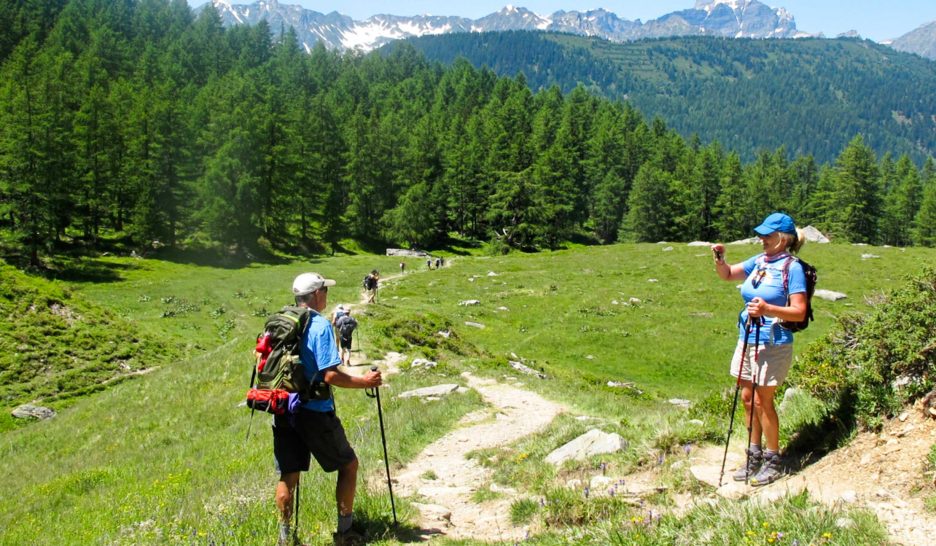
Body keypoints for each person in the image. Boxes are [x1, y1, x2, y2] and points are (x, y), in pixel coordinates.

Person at [274, 273, 382, 546]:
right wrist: (364, 382)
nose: (327, 294)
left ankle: (285, 539)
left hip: (284, 407)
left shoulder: (281, 321)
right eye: (325, 290)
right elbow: (330, 375)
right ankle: (345, 533)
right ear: (317, 294)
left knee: (289, 473)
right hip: (314, 411)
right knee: (348, 465)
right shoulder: (320, 325)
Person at [711, 212, 807, 487]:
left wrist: (767, 309)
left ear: (783, 238)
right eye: (761, 235)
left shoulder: (793, 268)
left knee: (764, 401)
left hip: (773, 342)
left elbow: (799, 312)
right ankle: (753, 455)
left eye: (767, 235)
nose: (761, 239)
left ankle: (773, 458)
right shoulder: (760, 261)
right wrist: (719, 259)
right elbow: (728, 275)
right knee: (747, 397)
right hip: (748, 337)